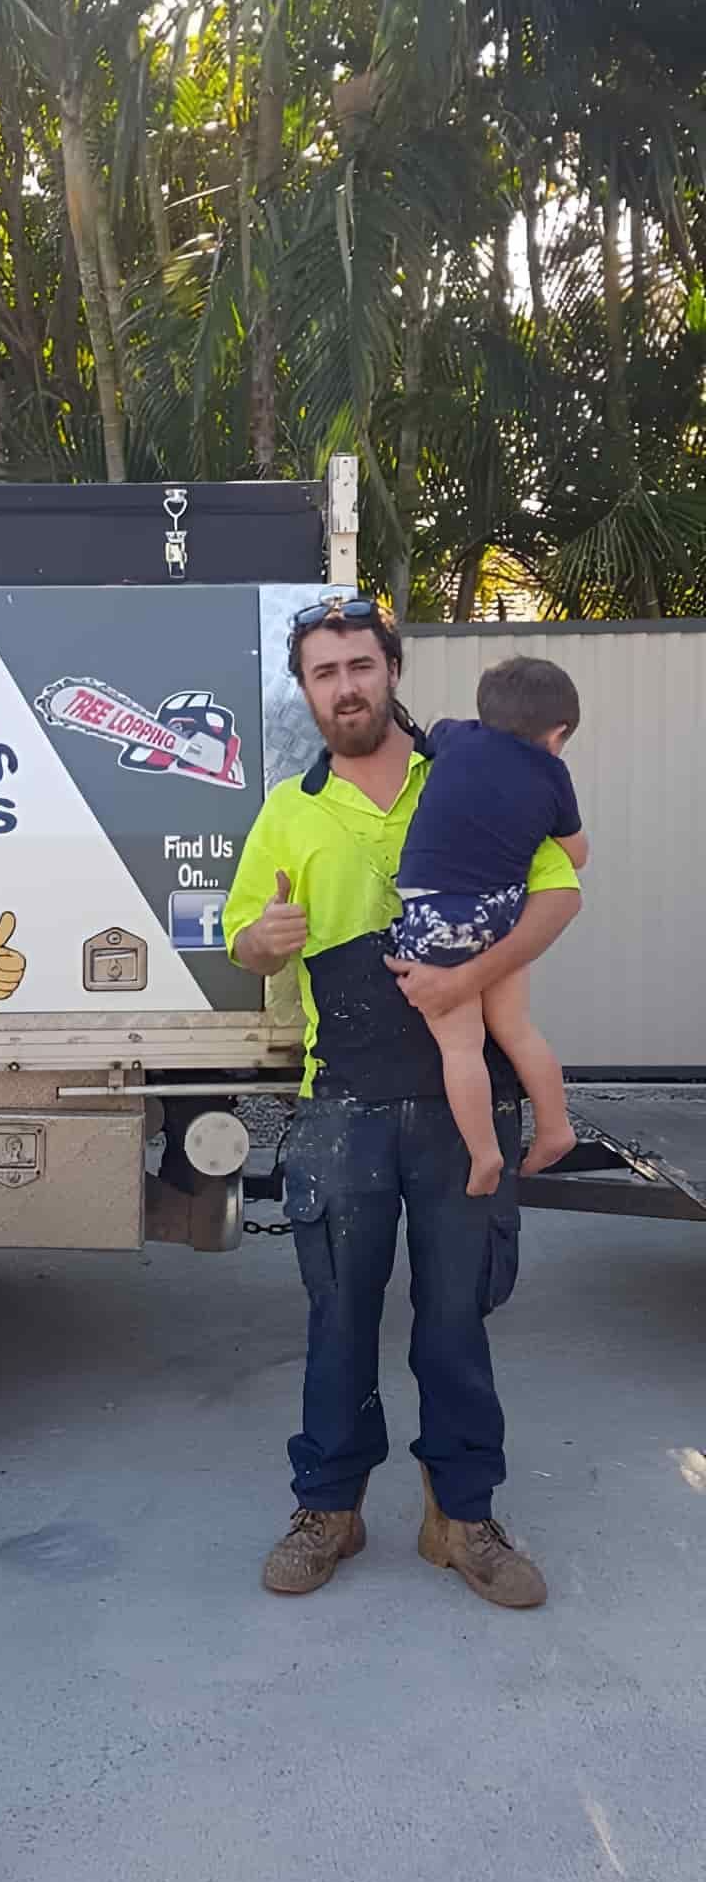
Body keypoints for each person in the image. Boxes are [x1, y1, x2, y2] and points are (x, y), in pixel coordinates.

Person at [222, 598, 582, 1610]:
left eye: (359, 664)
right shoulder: (287, 809)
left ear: (391, 669)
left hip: (463, 1104)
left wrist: (465, 981)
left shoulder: (470, 771)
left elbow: (559, 890)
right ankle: (326, 1509)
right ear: (305, 691)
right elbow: (240, 934)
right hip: (338, 1103)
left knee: (455, 1321)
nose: (344, 684)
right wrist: (265, 937)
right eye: (323, 671)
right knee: (337, 1317)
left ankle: (459, 1518)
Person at [390, 657, 589, 1197]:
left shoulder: (457, 738)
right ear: (559, 732)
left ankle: (483, 1156)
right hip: (502, 909)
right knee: (517, 1028)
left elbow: (424, 737)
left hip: (440, 913)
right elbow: (578, 854)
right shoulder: (553, 773)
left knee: (461, 1046)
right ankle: (554, 1126)